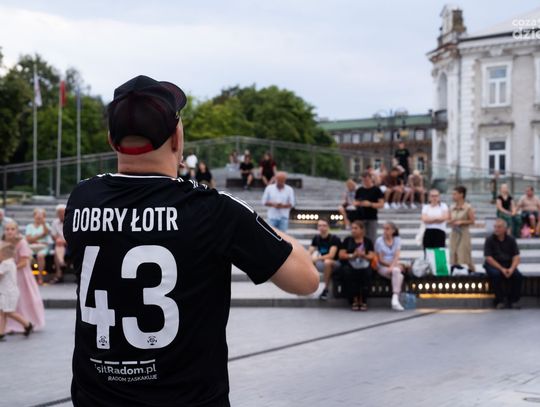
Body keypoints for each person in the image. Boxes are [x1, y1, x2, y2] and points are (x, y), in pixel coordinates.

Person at [64, 75, 319, 407]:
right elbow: (306, 280)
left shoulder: (82, 199)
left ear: (111, 139)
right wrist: (250, 222)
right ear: (176, 137)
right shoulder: (213, 210)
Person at [2, 221, 45, 333]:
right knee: (7, 302)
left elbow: (24, 262)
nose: (9, 231)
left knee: (24, 299)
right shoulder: (2, 242)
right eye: (7, 229)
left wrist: (10, 268)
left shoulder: (21, 242)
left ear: (16, 230)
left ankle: (27, 322)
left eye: (12, 229)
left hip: (21, 275)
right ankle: (6, 326)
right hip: (7, 276)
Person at [484, 219, 522, 309]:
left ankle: (513, 301)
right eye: (495, 227)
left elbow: (516, 256)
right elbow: (488, 258)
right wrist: (502, 269)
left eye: (499, 227)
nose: (496, 229)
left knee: (518, 276)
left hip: (508, 263)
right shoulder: (489, 240)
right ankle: (499, 301)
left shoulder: (511, 239)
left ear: (505, 229)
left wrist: (511, 269)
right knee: (496, 275)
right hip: (494, 264)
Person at [338, 220, 375, 311]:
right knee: (348, 273)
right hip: (350, 264)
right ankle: (354, 299)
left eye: (356, 228)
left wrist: (363, 255)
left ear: (362, 230)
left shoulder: (368, 241)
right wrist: (352, 255)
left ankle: (363, 300)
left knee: (367, 274)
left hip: (364, 264)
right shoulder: (347, 240)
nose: (353, 230)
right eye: (352, 228)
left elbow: (371, 255)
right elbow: (341, 254)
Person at [0, 242, 33, 340]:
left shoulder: (5, 264)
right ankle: (1, 332)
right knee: (3, 312)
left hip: (8, 293)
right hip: (9, 292)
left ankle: (27, 324)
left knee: (8, 312)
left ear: (3, 254)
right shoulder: (11, 262)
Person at [309, 218, 341, 300]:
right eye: (319, 225)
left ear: (328, 227)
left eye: (324, 225)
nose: (322, 227)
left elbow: (331, 255)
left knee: (327, 262)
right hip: (323, 262)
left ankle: (326, 289)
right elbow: (309, 252)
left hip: (336, 263)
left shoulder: (334, 238)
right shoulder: (316, 238)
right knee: (308, 262)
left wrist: (317, 258)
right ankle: (309, 288)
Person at [375, 222, 405, 311]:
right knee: (399, 275)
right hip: (382, 266)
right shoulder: (379, 241)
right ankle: (395, 298)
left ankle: (395, 298)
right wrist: (390, 266)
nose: (385, 231)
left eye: (387, 229)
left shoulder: (397, 240)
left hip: (394, 265)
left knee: (396, 271)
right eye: (384, 229)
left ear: (393, 231)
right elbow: (380, 259)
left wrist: (392, 266)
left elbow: (396, 256)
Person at [448, 186, 475, 272]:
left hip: (463, 233)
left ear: (461, 195)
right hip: (454, 233)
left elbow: (472, 221)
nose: (453, 196)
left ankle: (473, 272)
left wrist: (462, 222)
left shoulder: (468, 207)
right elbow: (448, 219)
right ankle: (455, 274)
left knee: (464, 255)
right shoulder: (451, 207)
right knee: (453, 253)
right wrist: (450, 222)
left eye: (455, 194)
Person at [24, 207, 53, 285]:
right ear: (34, 216)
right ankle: (28, 278)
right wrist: (41, 236)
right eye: (37, 214)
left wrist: (34, 238)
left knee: (40, 255)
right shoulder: (29, 226)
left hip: (44, 247)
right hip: (32, 247)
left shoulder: (46, 225)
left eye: (41, 215)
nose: (39, 216)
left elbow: (46, 232)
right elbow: (28, 239)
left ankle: (40, 277)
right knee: (26, 256)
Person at [354, 171, 384, 244]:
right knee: (360, 238)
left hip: (372, 217)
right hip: (360, 217)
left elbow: (381, 204)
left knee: (371, 239)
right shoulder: (359, 190)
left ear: (371, 179)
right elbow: (355, 202)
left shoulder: (377, 190)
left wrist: (370, 204)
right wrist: (359, 203)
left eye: (367, 180)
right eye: (364, 180)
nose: (365, 182)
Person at [49, 204, 67, 284]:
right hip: (59, 243)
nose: (61, 214)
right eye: (59, 213)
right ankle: (61, 263)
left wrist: (64, 240)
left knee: (58, 247)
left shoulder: (71, 221)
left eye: (62, 212)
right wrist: (58, 239)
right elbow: (53, 235)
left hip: (69, 243)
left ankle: (58, 274)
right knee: (58, 246)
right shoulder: (55, 222)